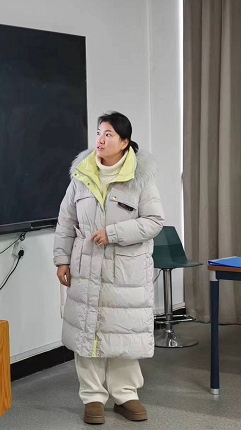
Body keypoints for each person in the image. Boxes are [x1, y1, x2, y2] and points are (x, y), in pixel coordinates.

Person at [53, 111, 164, 425]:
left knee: (123, 332)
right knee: (87, 332)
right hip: (86, 267)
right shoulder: (82, 175)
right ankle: (92, 397)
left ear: (124, 142)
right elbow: (66, 221)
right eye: (99, 133)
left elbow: (154, 222)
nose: (100, 140)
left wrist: (114, 233)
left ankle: (125, 394)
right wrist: (61, 259)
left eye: (109, 134)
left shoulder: (140, 178)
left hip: (126, 272)